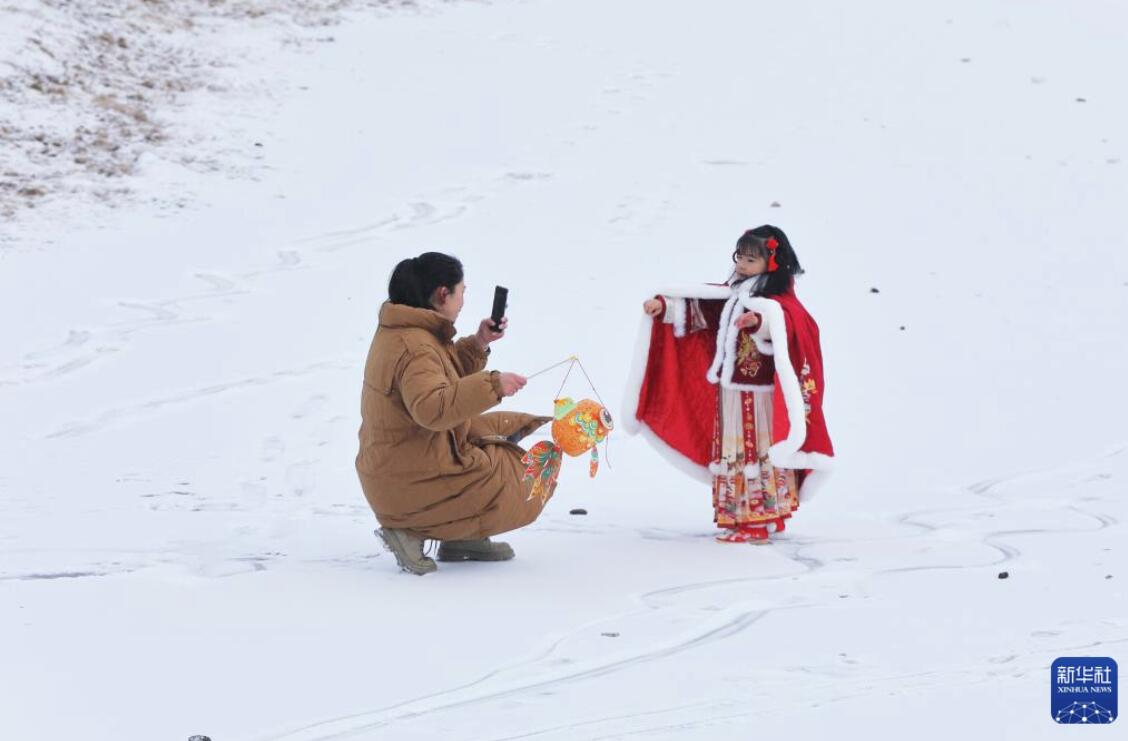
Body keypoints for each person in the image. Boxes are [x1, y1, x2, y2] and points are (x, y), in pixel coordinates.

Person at [623, 225, 834, 543]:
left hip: (758, 397)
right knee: (739, 451)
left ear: (773, 263)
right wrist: (665, 309)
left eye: (751, 259)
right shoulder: (736, 293)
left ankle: (756, 521)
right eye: (740, 257)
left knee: (754, 451)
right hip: (732, 391)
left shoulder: (775, 302)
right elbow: (706, 312)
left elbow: (784, 326)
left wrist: (760, 322)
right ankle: (760, 516)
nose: (742, 265)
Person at [356, 252, 552, 574]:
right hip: (406, 481)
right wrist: (493, 386)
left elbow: (438, 377)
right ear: (442, 294)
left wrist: (478, 342)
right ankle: (406, 530)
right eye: (462, 292)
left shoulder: (410, 333)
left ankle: (461, 535)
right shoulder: (415, 346)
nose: (463, 301)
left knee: (500, 434)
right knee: (519, 477)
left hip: (400, 467)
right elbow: (433, 409)